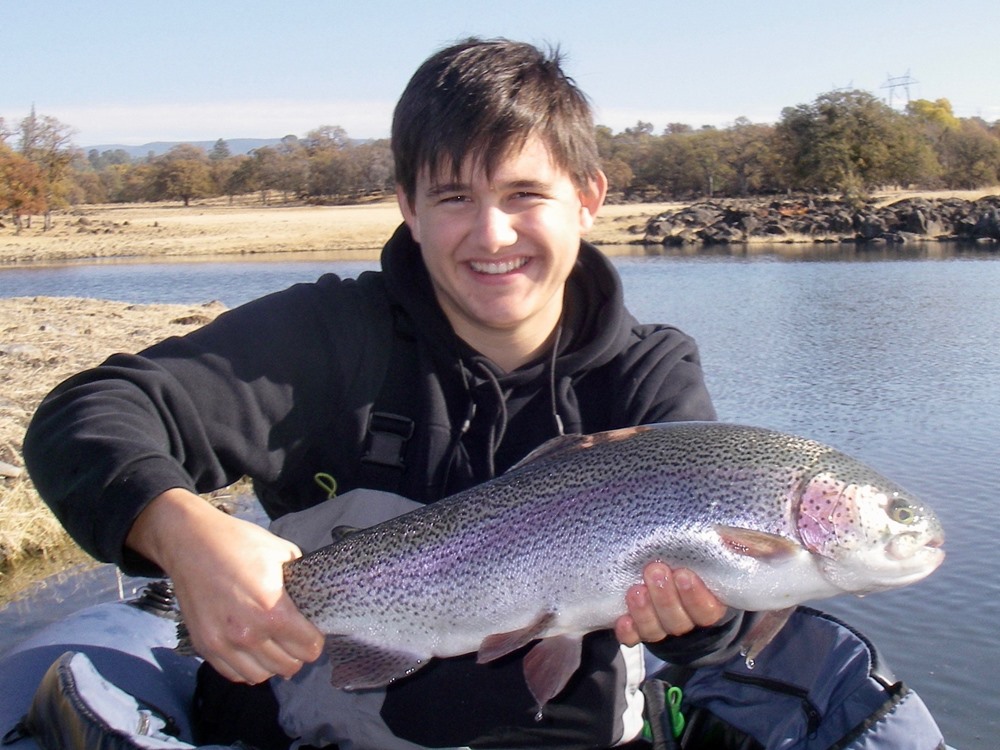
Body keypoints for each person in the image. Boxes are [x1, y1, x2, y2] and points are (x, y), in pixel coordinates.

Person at [24, 38, 752, 749]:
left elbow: (722, 627)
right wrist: (179, 532)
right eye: (454, 197)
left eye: (524, 194)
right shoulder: (331, 336)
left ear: (588, 198)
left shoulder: (649, 372)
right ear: (408, 205)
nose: (492, 234)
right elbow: (85, 415)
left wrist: (701, 618)